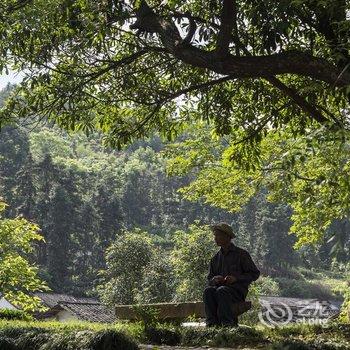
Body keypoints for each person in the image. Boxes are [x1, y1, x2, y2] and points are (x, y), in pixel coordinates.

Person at [203, 222, 260, 327]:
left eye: (218, 235)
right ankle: (211, 324)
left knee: (222, 290)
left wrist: (236, 279)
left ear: (227, 236)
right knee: (208, 291)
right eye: (214, 235)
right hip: (220, 291)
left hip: (237, 292)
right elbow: (210, 279)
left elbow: (255, 274)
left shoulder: (242, 254)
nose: (215, 238)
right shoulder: (215, 259)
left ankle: (228, 325)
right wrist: (215, 280)